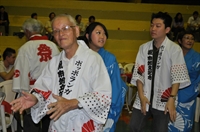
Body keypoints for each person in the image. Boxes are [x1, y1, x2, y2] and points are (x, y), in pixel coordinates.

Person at [11, 14, 112, 132]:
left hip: (83, 124)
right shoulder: (54, 62)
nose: (61, 34)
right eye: (56, 31)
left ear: (77, 31)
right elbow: (44, 89)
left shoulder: (93, 59)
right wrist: (35, 99)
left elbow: (103, 96)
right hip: (58, 125)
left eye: (65, 28)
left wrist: (73, 103)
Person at [129, 12, 191, 132]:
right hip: (144, 97)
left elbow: (177, 77)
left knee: (160, 130)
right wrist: (141, 96)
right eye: (152, 25)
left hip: (164, 99)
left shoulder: (174, 49)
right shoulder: (144, 48)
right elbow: (139, 74)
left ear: (167, 29)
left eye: (158, 26)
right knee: (134, 127)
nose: (153, 29)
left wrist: (172, 99)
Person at [12, 18, 60, 132]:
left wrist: (21, 92)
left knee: (31, 122)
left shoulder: (25, 48)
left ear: (27, 32)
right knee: (48, 121)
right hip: (51, 91)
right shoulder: (54, 46)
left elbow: (20, 72)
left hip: (33, 92)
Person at [84, 22, 127, 132]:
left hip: (104, 110)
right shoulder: (80, 57)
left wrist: (111, 111)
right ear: (88, 36)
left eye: (104, 34)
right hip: (83, 108)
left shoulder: (110, 59)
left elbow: (116, 88)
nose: (102, 37)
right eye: (98, 33)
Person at [168, 31, 200, 132]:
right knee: (168, 123)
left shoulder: (197, 57)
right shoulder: (173, 54)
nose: (190, 40)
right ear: (180, 41)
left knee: (184, 124)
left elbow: (196, 76)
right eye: (187, 38)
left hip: (188, 94)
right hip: (170, 93)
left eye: (192, 38)